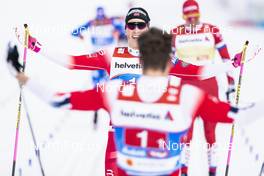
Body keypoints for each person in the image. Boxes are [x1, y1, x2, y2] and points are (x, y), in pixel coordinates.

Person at [13, 7, 241, 176]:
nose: (136, 30)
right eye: (131, 25)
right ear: (125, 28)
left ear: (148, 27)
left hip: (159, 137)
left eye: (141, 25)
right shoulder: (112, 54)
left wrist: (233, 64)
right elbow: (72, 62)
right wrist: (35, 46)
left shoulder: (161, 56)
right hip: (119, 136)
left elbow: (197, 71)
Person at [171, 0, 235, 175]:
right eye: (187, 16)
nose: (191, 19)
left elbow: (225, 58)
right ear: (183, 16)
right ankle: (183, 171)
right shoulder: (175, 33)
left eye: (195, 15)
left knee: (210, 132)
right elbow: (167, 62)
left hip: (209, 85)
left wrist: (230, 82)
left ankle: (212, 171)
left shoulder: (212, 30)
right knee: (185, 132)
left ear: (199, 14)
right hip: (186, 87)